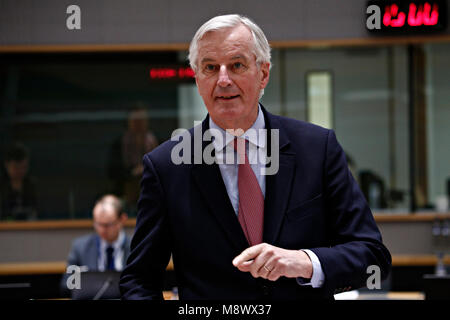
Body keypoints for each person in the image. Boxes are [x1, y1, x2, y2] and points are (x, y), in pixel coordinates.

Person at [120, 14, 391, 300]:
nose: (223, 80)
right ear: (197, 78)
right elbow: (139, 280)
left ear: (263, 73)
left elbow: (372, 256)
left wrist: (305, 262)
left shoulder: (317, 149)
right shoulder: (166, 167)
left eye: (237, 65)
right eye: (210, 67)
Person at [61, 194, 131, 295]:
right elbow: (67, 285)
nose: (102, 230)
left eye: (107, 225)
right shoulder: (81, 247)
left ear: (122, 220)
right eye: (98, 224)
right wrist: (82, 280)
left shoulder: (136, 247)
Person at [108, 107, 158, 215]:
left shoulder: (155, 140)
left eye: (141, 121)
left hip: (153, 190)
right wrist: (132, 173)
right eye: (135, 121)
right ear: (128, 122)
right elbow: (112, 172)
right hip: (126, 190)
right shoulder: (119, 144)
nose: (138, 125)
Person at [0, 142, 38, 221]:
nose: (20, 171)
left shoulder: (32, 185)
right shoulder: (2, 186)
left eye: (24, 167)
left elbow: (35, 211)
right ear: (7, 165)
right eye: (16, 167)